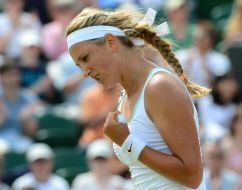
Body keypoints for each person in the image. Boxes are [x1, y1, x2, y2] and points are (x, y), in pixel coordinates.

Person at [66, 7, 210, 189]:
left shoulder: (159, 87)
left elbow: (192, 176)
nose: (85, 72)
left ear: (111, 42)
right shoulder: (124, 95)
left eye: (85, 58)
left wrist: (127, 142)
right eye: (79, 65)